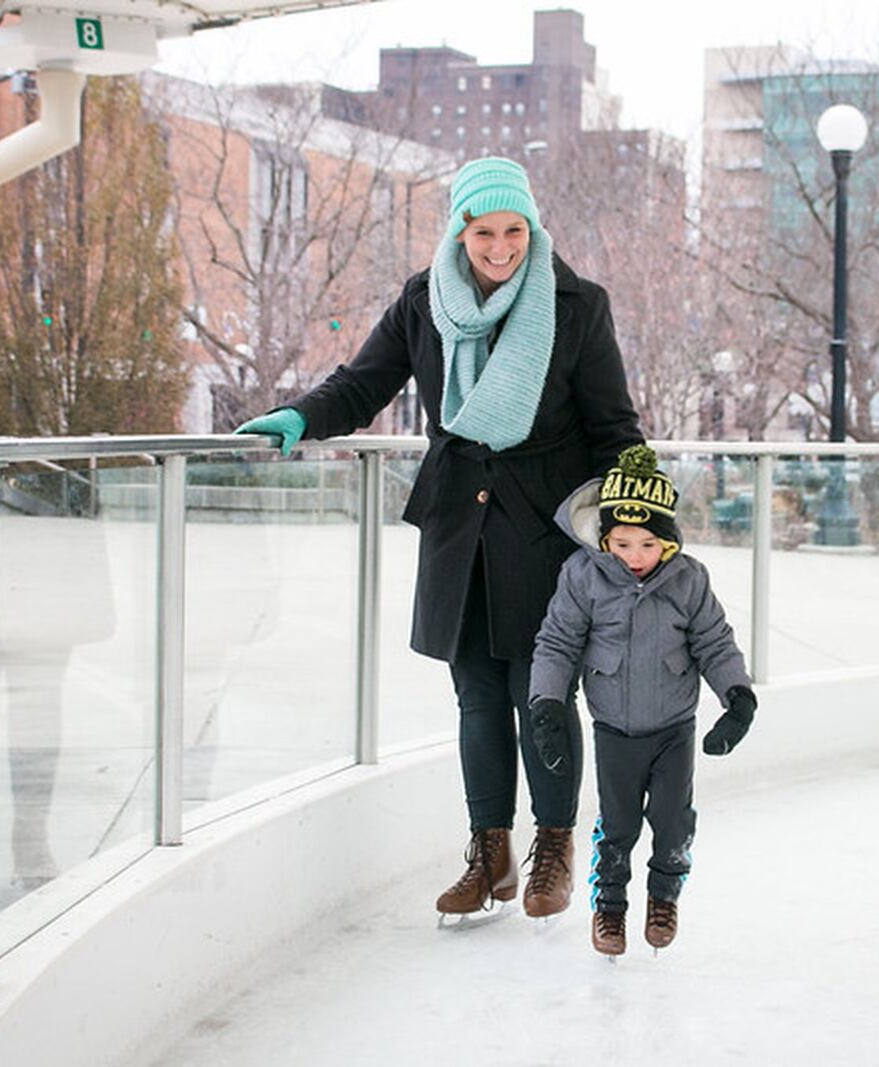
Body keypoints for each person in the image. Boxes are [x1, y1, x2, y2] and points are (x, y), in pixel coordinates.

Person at [235, 156, 643, 920]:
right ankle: (488, 850)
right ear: (459, 230)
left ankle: (552, 848)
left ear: (532, 227)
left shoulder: (577, 303)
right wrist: (296, 417)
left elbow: (614, 426)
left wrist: (633, 513)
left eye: (514, 230)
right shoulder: (425, 301)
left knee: (544, 696)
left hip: (545, 531)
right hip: (460, 523)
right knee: (477, 697)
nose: (500, 247)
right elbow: (362, 385)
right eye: (484, 231)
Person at [528, 444, 758, 956]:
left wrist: (737, 697)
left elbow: (714, 641)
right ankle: (609, 906)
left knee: (673, 819)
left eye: (648, 544)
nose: (635, 556)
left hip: (673, 725)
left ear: (669, 543)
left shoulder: (689, 580)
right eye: (623, 543)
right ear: (605, 538)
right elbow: (558, 643)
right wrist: (545, 703)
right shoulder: (583, 577)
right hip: (613, 727)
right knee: (620, 823)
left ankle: (663, 896)